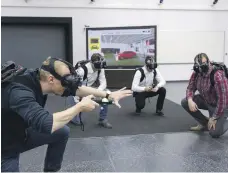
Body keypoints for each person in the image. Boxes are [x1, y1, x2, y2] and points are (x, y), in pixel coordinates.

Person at [1, 57, 132, 172]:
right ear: (51, 79)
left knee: (61, 132)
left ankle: (51, 169)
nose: (68, 87)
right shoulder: (19, 92)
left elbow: (76, 89)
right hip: (5, 147)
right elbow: (47, 124)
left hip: (20, 132)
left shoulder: (39, 77)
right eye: (65, 83)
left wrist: (108, 95)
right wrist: (79, 107)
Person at [181, 53, 228, 138]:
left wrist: (214, 117)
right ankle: (204, 123)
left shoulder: (217, 75)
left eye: (203, 64)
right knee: (185, 102)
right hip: (208, 100)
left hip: (222, 105)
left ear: (208, 62)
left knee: (214, 133)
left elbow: (223, 100)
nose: (200, 68)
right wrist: (190, 100)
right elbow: (190, 88)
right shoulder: (197, 72)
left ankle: (222, 121)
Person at [70, 53, 112, 128]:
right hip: (77, 91)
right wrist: (79, 101)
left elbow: (103, 83)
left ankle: (102, 119)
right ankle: (73, 116)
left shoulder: (100, 69)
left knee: (107, 94)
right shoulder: (82, 70)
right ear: (91, 63)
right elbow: (75, 86)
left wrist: (98, 92)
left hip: (90, 90)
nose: (100, 67)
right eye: (98, 64)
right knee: (77, 121)